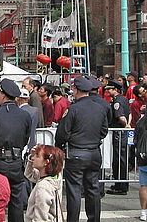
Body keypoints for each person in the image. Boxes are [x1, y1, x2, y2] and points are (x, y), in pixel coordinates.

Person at [55, 76, 109, 222]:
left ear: (77, 90)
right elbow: (104, 130)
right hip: (94, 152)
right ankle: (94, 219)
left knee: (74, 191)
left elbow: (62, 133)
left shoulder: (73, 109)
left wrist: (60, 146)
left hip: (76, 152)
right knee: (93, 189)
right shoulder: (99, 108)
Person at [0, 78, 32, 222]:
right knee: (16, 201)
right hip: (16, 160)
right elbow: (26, 138)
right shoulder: (25, 115)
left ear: (2, 95)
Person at [24, 144, 65, 222]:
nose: (33, 158)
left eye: (37, 156)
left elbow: (40, 218)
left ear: (46, 162)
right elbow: (29, 174)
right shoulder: (56, 176)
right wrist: (31, 158)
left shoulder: (43, 187)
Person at [106, 79, 130, 195]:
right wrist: (128, 124)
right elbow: (128, 114)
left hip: (119, 133)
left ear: (115, 90)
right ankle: (120, 182)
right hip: (122, 133)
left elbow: (121, 117)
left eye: (109, 89)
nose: (107, 91)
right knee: (122, 158)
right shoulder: (124, 99)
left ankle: (120, 185)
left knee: (119, 158)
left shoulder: (117, 102)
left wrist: (125, 125)